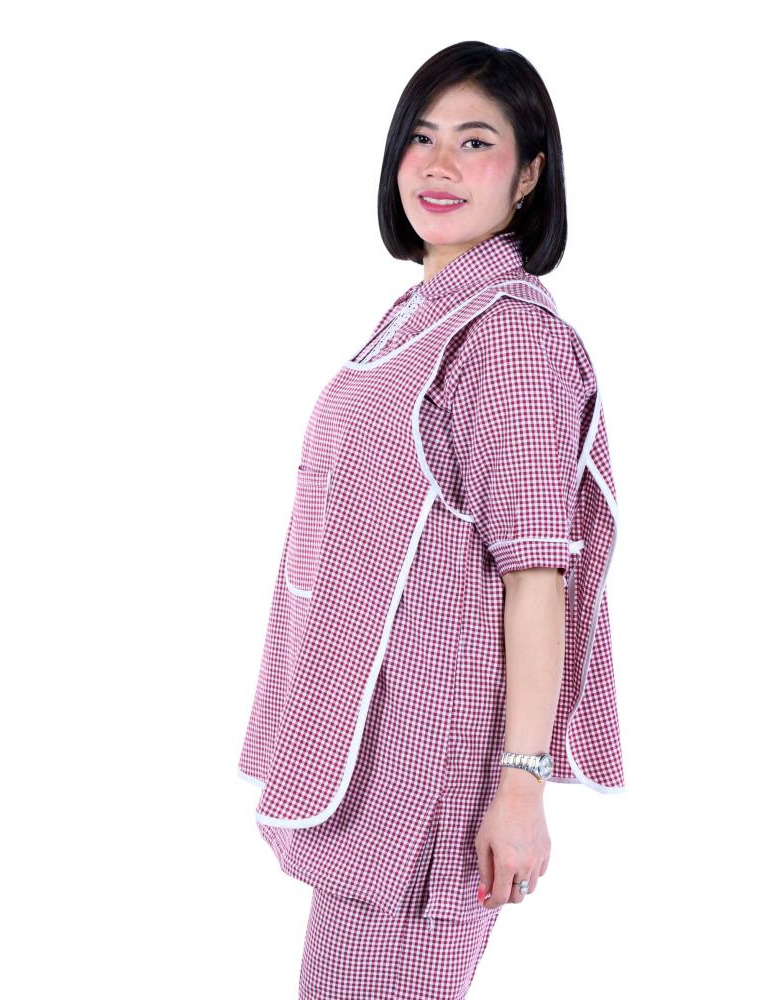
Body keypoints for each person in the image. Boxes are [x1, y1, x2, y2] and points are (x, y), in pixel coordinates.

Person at [238, 40, 626, 999]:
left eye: (476, 141)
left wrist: (521, 784)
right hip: (372, 757)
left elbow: (537, 577)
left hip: (430, 776)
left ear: (530, 176)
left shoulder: (510, 335)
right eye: (422, 137)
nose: (439, 164)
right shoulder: (420, 314)